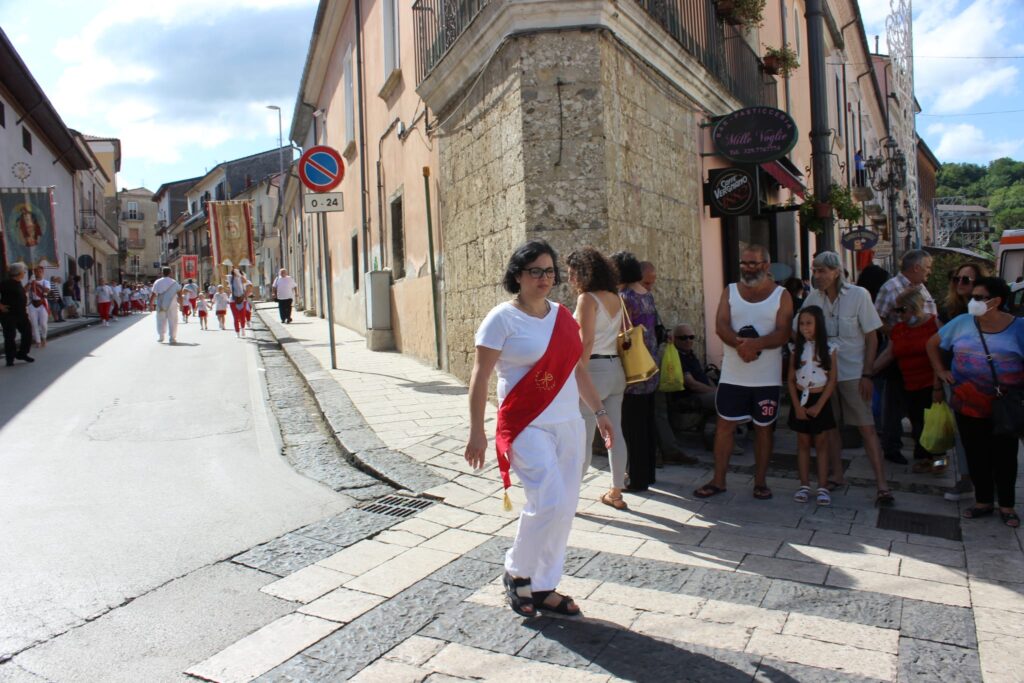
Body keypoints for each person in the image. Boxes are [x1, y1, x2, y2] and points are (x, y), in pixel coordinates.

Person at [465, 239, 613, 618]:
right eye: (535, 271)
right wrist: (477, 431)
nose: (544, 278)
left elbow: (576, 369)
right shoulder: (501, 319)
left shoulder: (562, 316)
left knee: (565, 507)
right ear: (518, 275)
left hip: (569, 423)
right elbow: (480, 377)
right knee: (547, 501)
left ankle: (545, 583)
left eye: (549, 271)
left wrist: (599, 412)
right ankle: (517, 572)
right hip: (526, 424)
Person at [695, 245, 794, 500]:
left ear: (766, 265)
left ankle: (760, 482)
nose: (747, 268)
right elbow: (721, 325)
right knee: (724, 426)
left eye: (753, 263)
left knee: (763, 429)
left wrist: (756, 345)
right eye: (744, 263)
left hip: (766, 378)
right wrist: (742, 346)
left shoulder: (781, 295)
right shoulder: (730, 291)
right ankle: (718, 481)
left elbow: (783, 332)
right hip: (733, 375)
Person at [927, 276, 1024, 528]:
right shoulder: (962, 322)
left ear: (996, 301)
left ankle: (1007, 505)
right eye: (972, 297)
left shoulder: (1018, 327)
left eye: (979, 298)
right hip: (967, 403)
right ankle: (983, 501)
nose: (973, 301)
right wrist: (941, 371)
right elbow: (932, 344)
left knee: (1005, 455)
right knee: (976, 453)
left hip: (1004, 405)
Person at [802, 251, 893, 505]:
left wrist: (868, 373)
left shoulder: (859, 295)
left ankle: (882, 485)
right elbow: (800, 328)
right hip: (823, 374)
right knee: (831, 427)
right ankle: (837, 475)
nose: (817, 275)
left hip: (853, 372)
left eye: (822, 270)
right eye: (814, 270)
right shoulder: (813, 298)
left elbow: (872, 337)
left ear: (836, 272)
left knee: (866, 427)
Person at [566, 247, 628, 509]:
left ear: (584, 272)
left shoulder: (587, 299)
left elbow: (587, 340)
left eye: (572, 273)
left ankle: (570, 498)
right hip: (616, 369)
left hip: (593, 369)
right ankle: (616, 492)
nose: (570, 279)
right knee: (615, 431)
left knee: (584, 437)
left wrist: (577, 371)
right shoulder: (616, 297)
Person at [875, 250, 936, 465]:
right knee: (894, 402)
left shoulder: (920, 287)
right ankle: (892, 447)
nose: (929, 272)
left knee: (921, 408)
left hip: (925, 361)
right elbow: (877, 318)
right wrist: (899, 335)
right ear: (916, 267)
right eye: (927, 267)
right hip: (900, 354)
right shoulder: (891, 287)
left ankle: (926, 451)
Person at [611, 251, 660, 492]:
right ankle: (648, 474)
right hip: (649, 364)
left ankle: (637, 479)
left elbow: (619, 332)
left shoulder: (624, 297)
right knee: (647, 423)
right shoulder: (646, 294)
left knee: (632, 427)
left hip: (632, 371)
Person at [938, 263, 987, 500]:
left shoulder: (989, 309)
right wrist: (940, 375)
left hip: (984, 380)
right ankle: (967, 478)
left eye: (966, 279)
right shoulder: (949, 310)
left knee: (987, 432)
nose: (960, 283)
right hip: (956, 379)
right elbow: (936, 345)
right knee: (962, 433)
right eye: (956, 278)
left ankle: (987, 481)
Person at [788, 306, 838, 506]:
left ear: (819, 324)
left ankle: (823, 487)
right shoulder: (796, 349)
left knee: (822, 444)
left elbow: (832, 380)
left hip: (820, 400)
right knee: (802, 443)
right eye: (801, 323)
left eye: (809, 323)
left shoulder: (830, 349)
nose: (804, 327)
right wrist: (797, 407)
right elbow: (790, 380)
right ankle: (804, 485)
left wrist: (819, 406)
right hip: (801, 399)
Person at [1, 263, 34, 366]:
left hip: (21, 314)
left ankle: (22, 354)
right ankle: (10, 359)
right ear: (19, 273)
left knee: (28, 333)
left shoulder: (18, 283)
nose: (24, 273)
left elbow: (19, 293)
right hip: (9, 314)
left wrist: (28, 285)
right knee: (10, 336)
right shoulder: (5, 283)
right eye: (23, 271)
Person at [150, 267, 182, 344]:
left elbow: (153, 294)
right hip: (172, 304)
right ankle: (172, 338)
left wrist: (151, 304)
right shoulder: (174, 282)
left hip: (161, 303)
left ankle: (161, 336)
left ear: (162, 273)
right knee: (173, 320)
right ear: (170, 273)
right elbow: (179, 294)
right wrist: (182, 305)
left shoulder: (158, 282)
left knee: (160, 319)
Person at [26, 266, 50, 348]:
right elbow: (25, 290)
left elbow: (47, 290)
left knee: (43, 324)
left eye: (40, 271)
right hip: (32, 304)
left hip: (42, 303)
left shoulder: (46, 282)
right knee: (34, 324)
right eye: (36, 271)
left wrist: (43, 295)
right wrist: (30, 282)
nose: (38, 273)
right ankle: (38, 341)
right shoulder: (31, 282)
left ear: (43, 272)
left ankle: (44, 337)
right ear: (34, 272)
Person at [227, 268, 250, 337]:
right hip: (233, 300)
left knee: (242, 316)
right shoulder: (230, 278)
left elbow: (245, 281)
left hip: (242, 299)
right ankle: (237, 332)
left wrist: (239, 275)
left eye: (237, 271)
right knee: (236, 317)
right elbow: (222, 276)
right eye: (234, 271)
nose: (236, 272)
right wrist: (220, 267)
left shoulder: (242, 277)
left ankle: (243, 329)